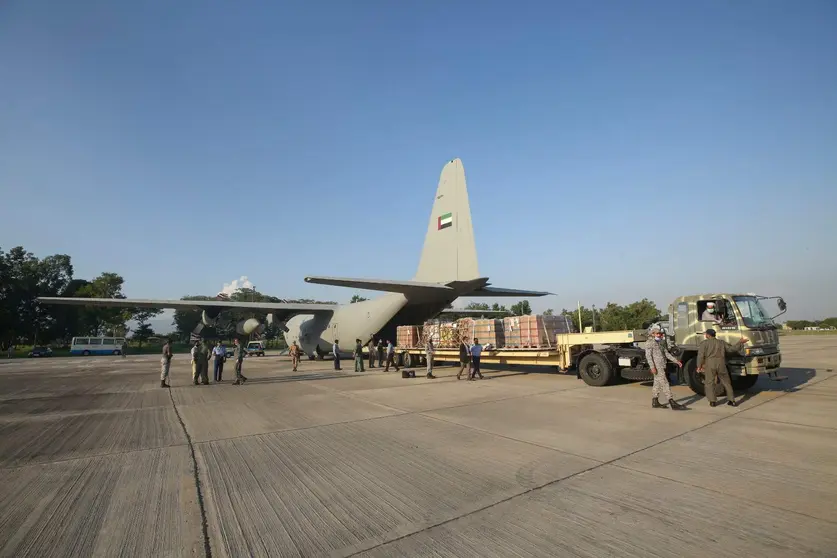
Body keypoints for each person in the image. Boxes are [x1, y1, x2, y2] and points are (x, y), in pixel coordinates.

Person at [698, 328, 749, 407]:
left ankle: (712, 401)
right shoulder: (721, 342)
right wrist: (740, 342)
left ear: (708, 335)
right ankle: (732, 400)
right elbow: (731, 349)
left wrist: (699, 366)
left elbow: (700, 356)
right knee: (726, 382)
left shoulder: (704, 343)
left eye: (706, 334)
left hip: (710, 363)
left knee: (709, 383)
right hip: (721, 363)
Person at [644, 325, 686, 410]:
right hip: (657, 366)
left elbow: (666, 354)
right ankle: (672, 401)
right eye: (657, 333)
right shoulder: (649, 343)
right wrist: (652, 367)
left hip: (662, 365)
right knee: (665, 383)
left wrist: (676, 361)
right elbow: (648, 356)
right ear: (653, 334)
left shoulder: (661, 343)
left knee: (657, 384)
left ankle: (655, 401)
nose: (659, 335)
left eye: (660, 334)